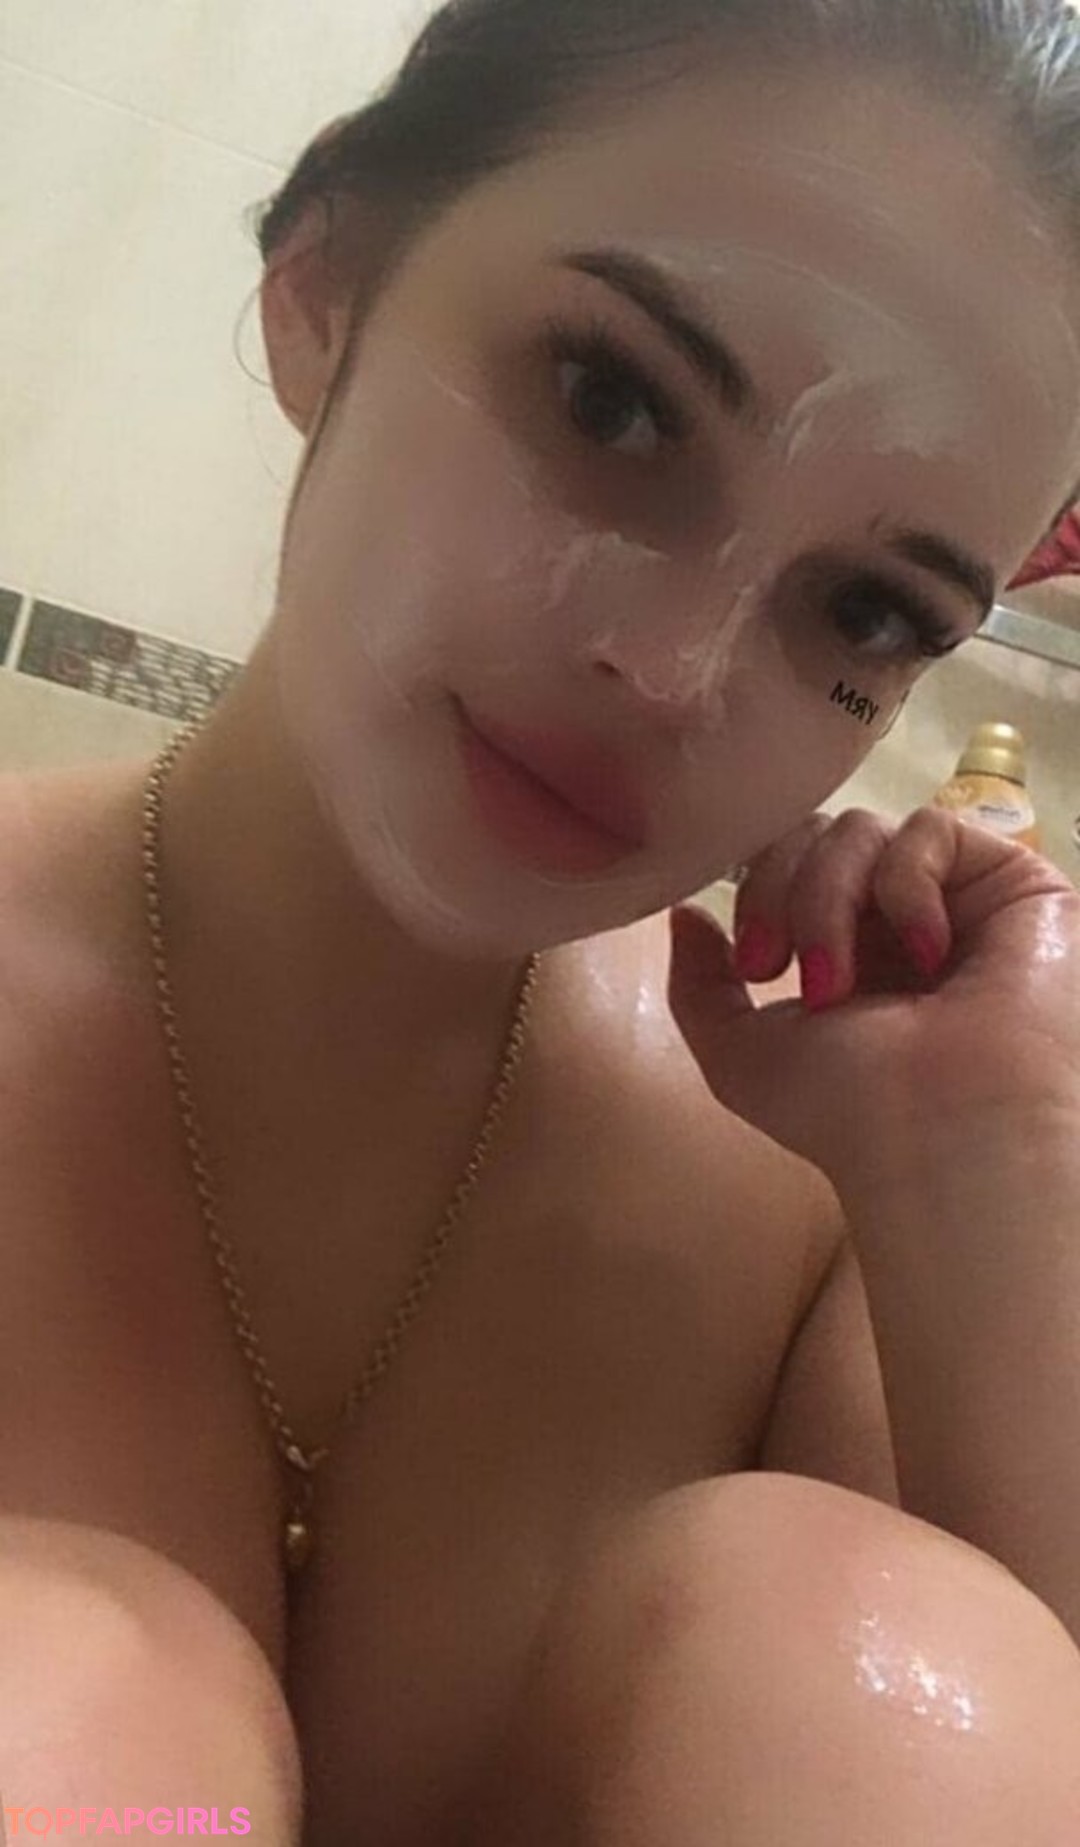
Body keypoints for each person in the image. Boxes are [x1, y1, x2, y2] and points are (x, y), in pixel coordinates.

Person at [2, 0, 1080, 1840]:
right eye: (613, 402)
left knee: (866, 1645)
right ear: (326, 285)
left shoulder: (839, 1204)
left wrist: (1002, 1165)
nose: (671, 669)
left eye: (869, 611)